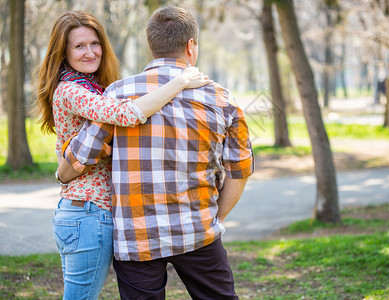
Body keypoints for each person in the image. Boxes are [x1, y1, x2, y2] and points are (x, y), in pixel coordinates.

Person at [59, 6, 254, 299]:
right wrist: (216, 218)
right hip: (198, 230)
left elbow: (77, 160)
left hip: (136, 239)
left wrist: (62, 172)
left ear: (152, 47)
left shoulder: (117, 93)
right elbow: (239, 173)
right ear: (191, 46)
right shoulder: (222, 99)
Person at [35, 11, 211, 300]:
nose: (90, 52)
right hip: (89, 213)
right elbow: (126, 113)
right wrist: (179, 82)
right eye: (79, 46)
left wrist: (62, 172)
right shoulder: (71, 90)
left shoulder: (93, 88)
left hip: (87, 212)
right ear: (63, 53)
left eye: (95, 43)